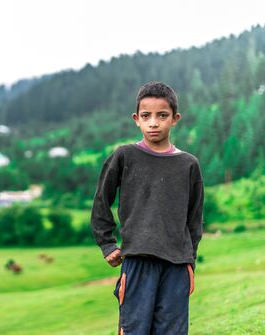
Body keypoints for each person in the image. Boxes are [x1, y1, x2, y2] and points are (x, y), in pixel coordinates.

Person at [90, 81, 204, 335]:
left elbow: (194, 219)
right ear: (136, 119)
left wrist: (190, 261)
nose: (154, 122)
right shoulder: (124, 156)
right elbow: (101, 201)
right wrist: (107, 243)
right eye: (146, 116)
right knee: (134, 330)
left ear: (174, 119)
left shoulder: (188, 164)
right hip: (137, 261)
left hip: (177, 265)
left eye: (162, 116)